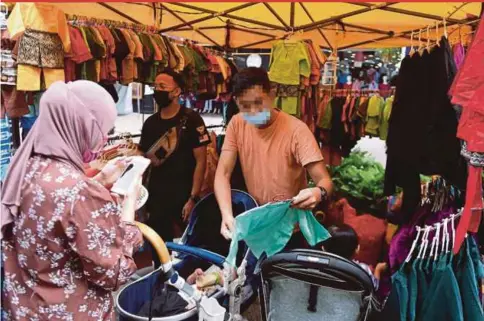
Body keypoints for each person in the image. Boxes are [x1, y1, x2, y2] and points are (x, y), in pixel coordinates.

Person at [1, 81, 143, 320]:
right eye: (102, 130)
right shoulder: (79, 191)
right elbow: (115, 272)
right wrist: (128, 209)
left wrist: (98, 181)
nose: (104, 138)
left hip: (26, 310)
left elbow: (55, 217)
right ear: (80, 126)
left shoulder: (23, 167)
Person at [214, 67, 333, 240]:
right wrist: (226, 215)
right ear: (236, 102)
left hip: (292, 229)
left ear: (272, 95)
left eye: (258, 102)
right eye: (245, 106)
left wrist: (318, 192)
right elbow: (222, 173)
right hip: (257, 224)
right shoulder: (236, 123)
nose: (253, 111)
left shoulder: (297, 130)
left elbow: (325, 181)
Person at [139, 71, 210, 260]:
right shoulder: (150, 123)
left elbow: (201, 161)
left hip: (184, 195)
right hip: (157, 196)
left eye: (163, 87)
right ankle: (160, 283)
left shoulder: (192, 120)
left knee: (192, 245)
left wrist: (193, 197)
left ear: (177, 91)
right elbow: (143, 157)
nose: (157, 90)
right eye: (155, 86)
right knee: (159, 248)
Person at [321, 224, 387, 289]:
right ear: (356, 250)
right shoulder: (362, 270)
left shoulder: (318, 265)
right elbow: (374, 287)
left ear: (323, 248)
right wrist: (378, 269)